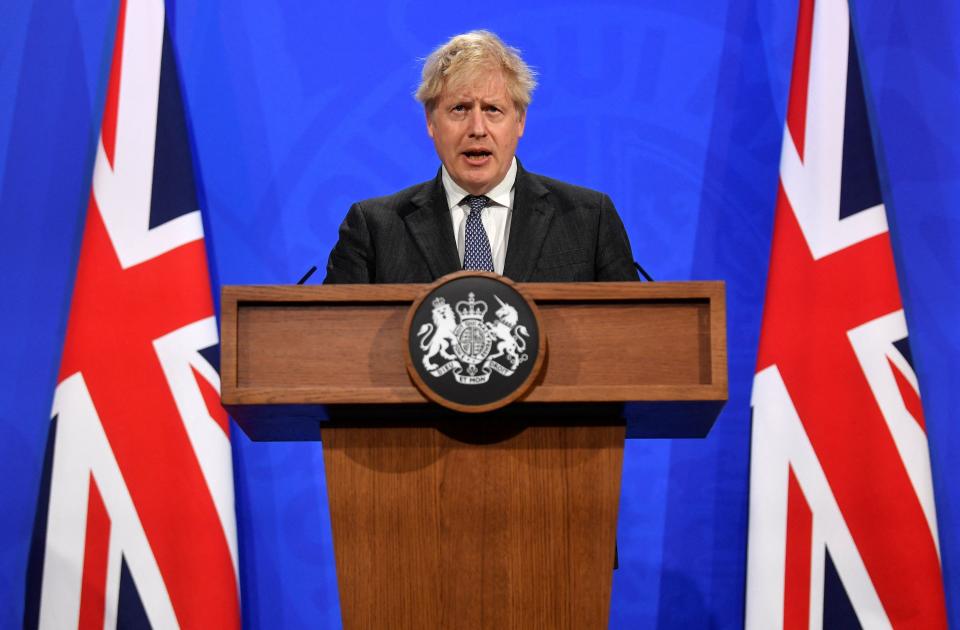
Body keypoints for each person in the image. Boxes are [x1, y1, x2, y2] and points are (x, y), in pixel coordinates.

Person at [323, 30, 639, 284]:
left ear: (520, 121)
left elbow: (632, 335)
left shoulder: (589, 218)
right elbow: (335, 343)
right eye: (459, 108)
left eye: (492, 109)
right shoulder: (374, 228)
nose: (477, 128)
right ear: (431, 122)